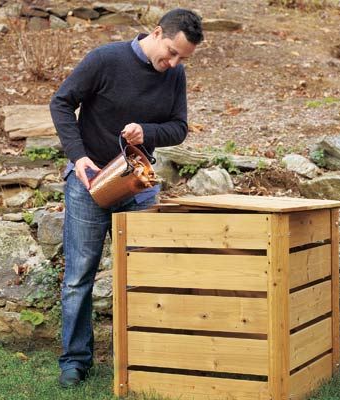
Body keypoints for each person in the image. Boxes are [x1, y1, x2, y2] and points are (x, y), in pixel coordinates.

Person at [49, 8, 204, 388]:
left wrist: (146, 130)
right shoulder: (105, 59)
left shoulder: (175, 73)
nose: (173, 63)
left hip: (140, 185)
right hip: (91, 182)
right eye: (170, 53)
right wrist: (79, 158)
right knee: (78, 277)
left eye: (182, 58)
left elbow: (179, 128)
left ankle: (145, 361)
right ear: (155, 33)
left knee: (149, 276)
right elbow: (61, 102)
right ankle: (74, 362)